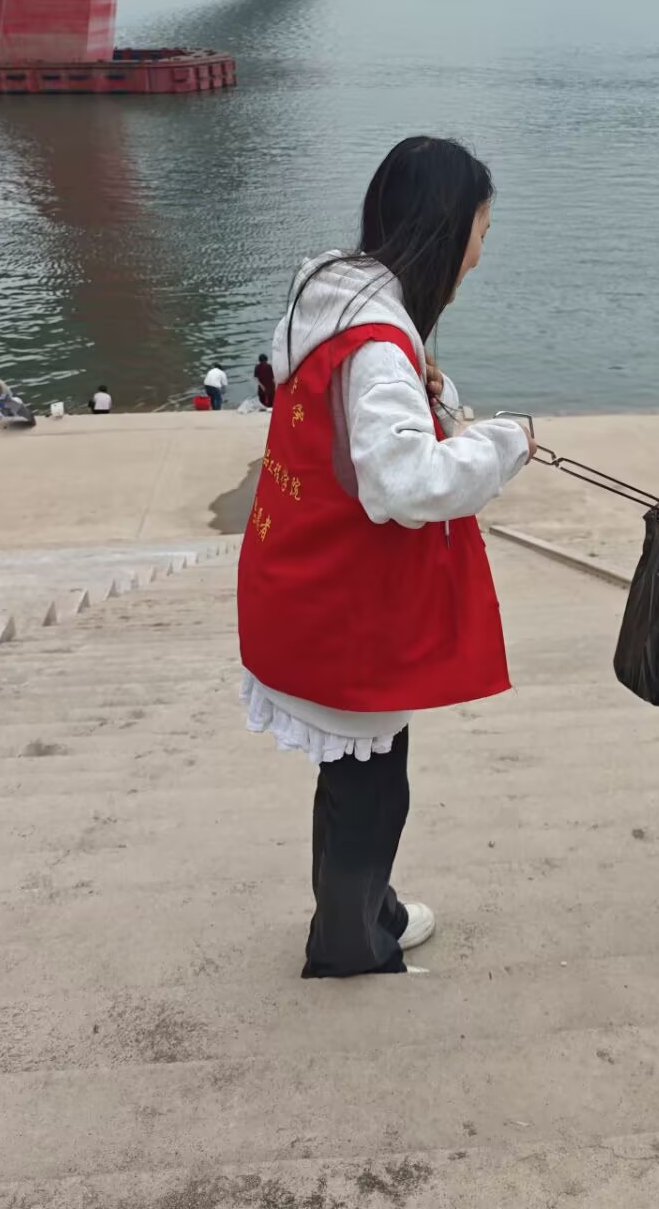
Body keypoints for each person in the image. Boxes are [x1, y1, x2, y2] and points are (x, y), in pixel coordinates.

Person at [236, 136, 534, 979]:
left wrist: (431, 391)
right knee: (371, 790)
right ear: (446, 230)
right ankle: (349, 948)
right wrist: (507, 442)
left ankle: (373, 914)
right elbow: (404, 482)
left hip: (300, 581)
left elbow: (361, 422)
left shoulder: (335, 295)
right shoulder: (377, 346)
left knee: (353, 777)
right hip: (345, 608)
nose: (481, 252)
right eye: (481, 230)